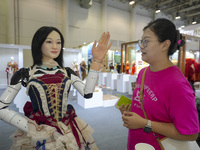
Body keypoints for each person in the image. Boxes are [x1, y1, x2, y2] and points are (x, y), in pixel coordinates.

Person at [0, 26, 112, 150]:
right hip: (40, 135)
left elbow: (87, 93)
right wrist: (31, 127)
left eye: (58, 42)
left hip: (67, 129)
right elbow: (1, 108)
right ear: (39, 44)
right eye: (49, 41)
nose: (55, 46)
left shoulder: (67, 72)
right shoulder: (25, 73)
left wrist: (96, 61)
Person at [120, 18, 199, 150]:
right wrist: (131, 113)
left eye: (147, 41)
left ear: (165, 45)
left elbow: (191, 134)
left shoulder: (178, 85)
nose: (141, 46)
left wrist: (144, 123)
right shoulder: (143, 73)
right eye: (141, 41)